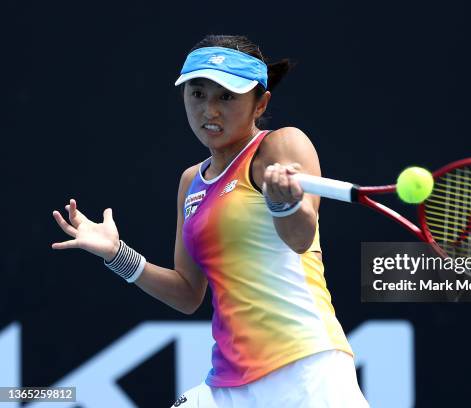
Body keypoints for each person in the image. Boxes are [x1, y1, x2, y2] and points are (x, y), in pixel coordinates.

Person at [51, 34, 369, 408]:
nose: (209, 111)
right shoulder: (191, 182)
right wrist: (116, 254)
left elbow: (301, 238)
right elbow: (188, 293)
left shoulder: (280, 146)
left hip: (305, 371)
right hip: (227, 383)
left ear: (260, 103)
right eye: (197, 94)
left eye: (227, 97)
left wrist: (286, 204)